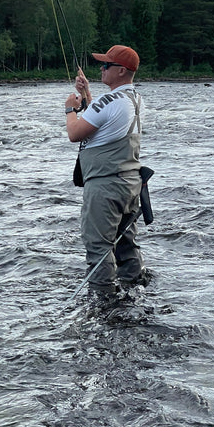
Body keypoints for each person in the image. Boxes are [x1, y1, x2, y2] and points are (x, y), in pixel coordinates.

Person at [64, 45, 149, 300]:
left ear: (121, 71)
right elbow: (105, 120)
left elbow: (74, 133)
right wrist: (87, 92)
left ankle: (104, 305)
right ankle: (136, 290)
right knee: (126, 245)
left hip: (105, 187)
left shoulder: (106, 102)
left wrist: (70, 109)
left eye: (106, 66)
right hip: (131, 185)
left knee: (99, 248)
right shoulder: (135, 99)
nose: (101, 68)